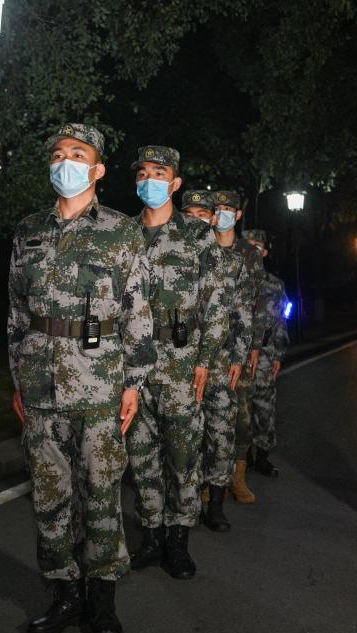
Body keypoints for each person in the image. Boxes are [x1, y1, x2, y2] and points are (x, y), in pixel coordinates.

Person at [7, 123, 156, 633]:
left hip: (100, 385)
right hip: (40, 385)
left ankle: (102, 599)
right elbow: (16, 314)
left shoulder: (122, 231)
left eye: (77, 153)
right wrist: (18, 379)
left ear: (97, 170)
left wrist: (134, 383)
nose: (64, 161)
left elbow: (138, 313)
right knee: (49, 496)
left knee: (101, 492)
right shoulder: (28, 231)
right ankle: (64, 593)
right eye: (57, 154)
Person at [125, 148, 230, 578]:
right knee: (141, 455)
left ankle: (178, 541)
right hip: (132, 365)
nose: (150, 179)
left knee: (183, 455)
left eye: (159, 172)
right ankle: (151, 536)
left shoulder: (197, 235)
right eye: (143, 173)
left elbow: (215, 303)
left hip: (181, 363)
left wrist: (205, 360)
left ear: (175, 183)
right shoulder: (123, 233)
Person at [183, 189, 258, 530]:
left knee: (221, 433)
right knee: (185, 434)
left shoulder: (232, 262)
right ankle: (186, 499)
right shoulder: (173, 260)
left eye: (203, 215)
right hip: (181, 361)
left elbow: (243, 316)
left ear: (213, 219)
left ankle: (215, 503)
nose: (197, 221)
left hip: (221, 360)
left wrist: (239, 358)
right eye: (190, 215)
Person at [243, 229, 289, 478]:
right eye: (248, 244)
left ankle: (262, 456)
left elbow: (282, 320)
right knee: (240, 407)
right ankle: (241, 458)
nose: (253, 249)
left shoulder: (275, 285)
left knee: (264, 407)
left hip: (265, 353)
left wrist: (278, 354)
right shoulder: (233, 279)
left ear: (265, 252)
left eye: (258, 245)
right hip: (238, 353)